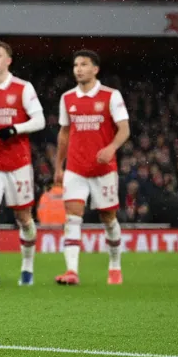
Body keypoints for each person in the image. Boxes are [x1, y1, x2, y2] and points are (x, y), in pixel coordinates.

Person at [54, 50, 130, 285]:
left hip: (103, 170)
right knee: (72, 218)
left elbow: (124, 129)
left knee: (108, 218)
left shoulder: (110, 96)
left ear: (95, 69)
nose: (78, 68)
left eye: (84, 64)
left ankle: (115, 265)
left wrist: (111, 148)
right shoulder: (67, 98)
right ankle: (72, 271)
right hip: (75, 169)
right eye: (76, 64)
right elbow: (64, 133)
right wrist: (59, 165)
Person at [0, 41, 46, 286]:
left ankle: (27, 266)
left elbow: (40, 120)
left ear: (8, 60)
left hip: (18, 164)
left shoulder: (23, 88)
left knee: (24, 219)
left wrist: (16, 128)